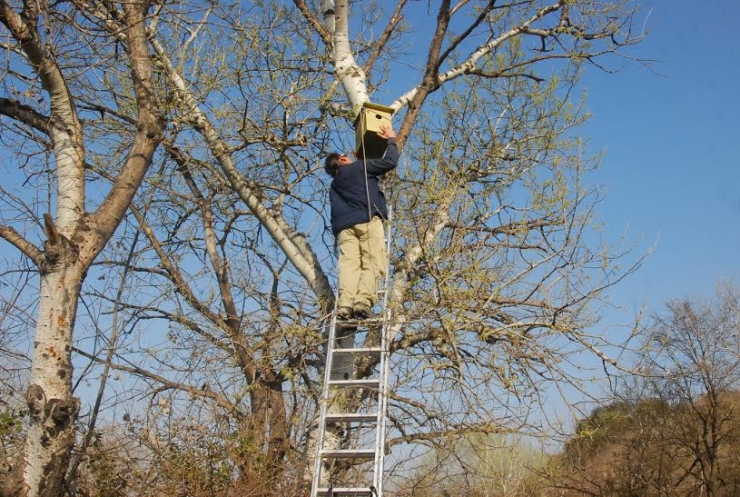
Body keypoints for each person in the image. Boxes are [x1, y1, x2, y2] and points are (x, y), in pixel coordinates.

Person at [325, 124, 399, 320]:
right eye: (346, 156)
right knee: (373, 261)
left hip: (344, 229)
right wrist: (391, 138)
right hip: (367, 220)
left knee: (349, 266)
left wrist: (361, 162)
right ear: (342, 160)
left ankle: (345, 305)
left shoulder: (334, 185)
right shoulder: (360, 167)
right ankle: (362, 302)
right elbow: (390, 161)